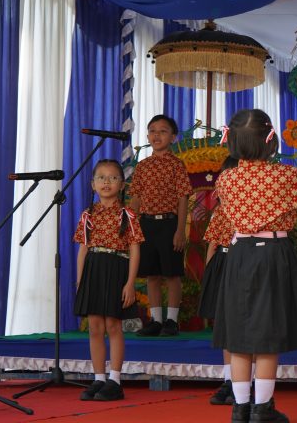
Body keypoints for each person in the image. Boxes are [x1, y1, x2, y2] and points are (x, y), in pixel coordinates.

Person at [212, 109, 297, 422]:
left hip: (238, 254)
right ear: (270, 140)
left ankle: (240, 409)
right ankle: (262, 409)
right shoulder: (284, 176)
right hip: (272, 253)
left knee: (238, 337)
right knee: (267, 334)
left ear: (231, 142)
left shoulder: (226, 179)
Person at [74, 159, 144, 401]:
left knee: (113, 325)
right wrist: (80, 281)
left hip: (116, 269)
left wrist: (130, 283)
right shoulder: (88, 214)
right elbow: (83, 250)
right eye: (101, 178)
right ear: (93, 184)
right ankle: (99, 378)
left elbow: (135, 249)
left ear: (122, 185)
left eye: (113, 178)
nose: (106, 182)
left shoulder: (127, 214)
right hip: (93, 269)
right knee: (95, 326)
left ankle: (115, 379)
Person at [129, 115, 192, 337]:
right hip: (146, 224)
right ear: (147, 136)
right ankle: (156, 320)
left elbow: (183, 197)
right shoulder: (142, 166)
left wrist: (180, 230)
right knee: (152, 275)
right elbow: (136, 198)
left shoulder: (177, 165)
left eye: (163, 131)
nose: (157, 135)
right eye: (152, 131)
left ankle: (172, 321)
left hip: (169, 224)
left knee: (172, 274)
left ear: (173, 137)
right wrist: (130, 226)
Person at [198, 155, 238, 406]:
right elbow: (212, 246)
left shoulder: (252, 210)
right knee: (224, 326)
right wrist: (209, 276)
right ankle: (228, 380)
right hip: (222, 265)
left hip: (243, 263)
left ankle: (244, 381)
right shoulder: (219, 212)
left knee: (240, 326)